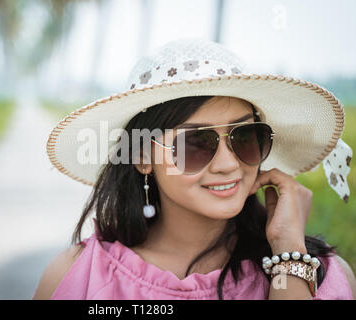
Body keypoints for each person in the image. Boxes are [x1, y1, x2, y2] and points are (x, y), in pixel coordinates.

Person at [33, 38, 355, 300]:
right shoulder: (78, 278)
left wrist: (289, 256)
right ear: (143, 156)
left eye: (244, 137)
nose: (229, 164)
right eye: (195, 144)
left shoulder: (323, 274)